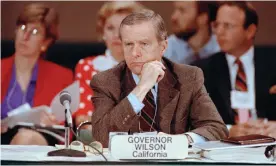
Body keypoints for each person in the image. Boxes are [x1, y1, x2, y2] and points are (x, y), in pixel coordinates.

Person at [90, 9, 228, 148]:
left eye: (144, 44)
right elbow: (101, 136)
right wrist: (141, 88)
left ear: (163, 46)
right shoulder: (105, 81)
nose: (135, 53)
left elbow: (216, 128)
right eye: (129, 44)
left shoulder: (188, 77)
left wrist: (182, 140)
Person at [193, 2, 276, 138]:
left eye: (227, 26)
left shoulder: (272, 61)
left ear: (250, 31)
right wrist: (227, 130)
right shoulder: (202, 70)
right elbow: (194, 120)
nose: (219, 32)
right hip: (227, 148)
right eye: (216, 25)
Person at [1, 3, 73, 145]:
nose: (25, 36)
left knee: (26, 138)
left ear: (45, 42)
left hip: (37, 139)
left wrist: (53, 122)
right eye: (22, 28)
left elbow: (66, 128)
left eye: (34, 32)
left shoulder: (62, 76)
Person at [74, 1, 145, 127]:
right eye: (110, 28)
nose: (116, 35)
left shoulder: (151, 68)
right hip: (98, 141)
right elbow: (83, 121)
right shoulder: (87, 66)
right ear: (102, 33)